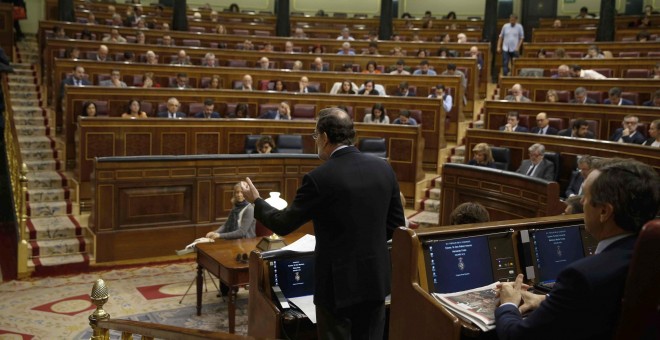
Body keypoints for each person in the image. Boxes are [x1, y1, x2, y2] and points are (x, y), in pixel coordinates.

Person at [241, 107, 405, 340]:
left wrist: (256, 201)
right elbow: (395, 225)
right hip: (375, 279)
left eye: (316, 136)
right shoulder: (384, 169)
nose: (316, 141)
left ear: (325, 137)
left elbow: (283, 223)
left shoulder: (320, 178)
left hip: (337, 285)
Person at [496, 159, 660, 340]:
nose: (581, 201)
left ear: (604, 212)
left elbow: (517, 336)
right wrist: (547, 299)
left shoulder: (583, 276)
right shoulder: (649, 256)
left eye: (587, 197)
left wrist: (508, 305)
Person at [206, 181, 255, 296]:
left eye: (242, 192)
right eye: (237, 192)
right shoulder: (236, 207)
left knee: (229, 260)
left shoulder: (249, 208)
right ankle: (226, 291)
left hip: (245, 244)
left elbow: (242, 232)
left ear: (247, 193)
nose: (239, 195)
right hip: (233, 242)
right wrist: (215, 232)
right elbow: (226, 225)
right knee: (222, 261)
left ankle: (232, 288)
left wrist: (220, 236)